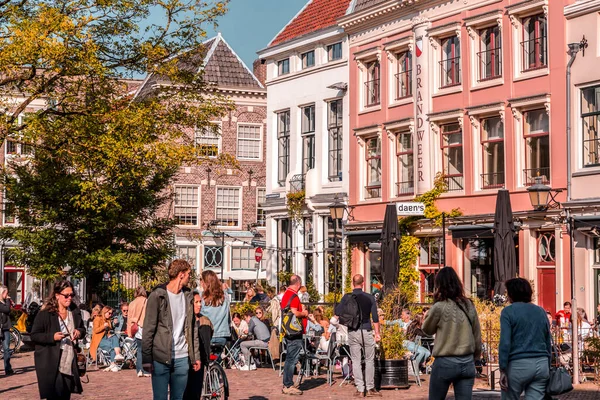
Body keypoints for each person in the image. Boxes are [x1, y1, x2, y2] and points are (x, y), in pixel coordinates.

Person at [142, 259, 201, 400]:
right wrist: (146, 358)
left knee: (178, 397)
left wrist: (195, 356)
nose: (189, 277)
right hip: (161, 357)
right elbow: (148, 329)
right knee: (160, 397)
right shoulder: (157, 295)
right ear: (181, 275)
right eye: (188, 274)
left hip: (182, 357)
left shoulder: (188, 296)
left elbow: (192, 328)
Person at [423, 267, 482, 400]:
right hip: (467, 361)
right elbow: (477, 335)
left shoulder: (439, 307)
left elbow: (427, 330)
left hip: (445, 362)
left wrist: (428, 314)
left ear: (439, 285)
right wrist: (476, 357)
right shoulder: (468, 305)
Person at [31, 280, 86, 400]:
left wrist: (79, 332)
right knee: (55, 394)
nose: (69, 298)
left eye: (72, 295)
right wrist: (52, 337)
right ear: (57, 295)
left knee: (65, 394)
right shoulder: (46, 313)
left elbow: (82, 328)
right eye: (66, 295)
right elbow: (34, 335)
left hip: (69, 358)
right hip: (51, 359)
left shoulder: (74, 311)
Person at [499, 278, 551, 400]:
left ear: (511, 294)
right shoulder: (540, 311)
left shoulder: (508, 312)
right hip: (541, 363)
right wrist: (548, 363)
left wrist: (503, 368)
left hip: (518, 364)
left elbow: (505, 343)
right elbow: (547, 339)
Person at [336, 274, 381, 398]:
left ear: (352, 283)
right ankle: (370, 388)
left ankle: (360, 389)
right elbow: (375, 317)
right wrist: (377, 333)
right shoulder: (370, 298)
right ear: (363, 283)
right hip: (366, 330)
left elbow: (337, 311)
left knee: (355, 360)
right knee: (369, 360)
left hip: (353, 331)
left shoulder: (347, 297)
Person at [281, 275, 308, 396]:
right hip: (294, 331)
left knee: (289, 358)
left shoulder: (285, 294)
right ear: (298, 284)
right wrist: (304, 313)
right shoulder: (294, 296)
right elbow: (294, 312)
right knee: (292, 359)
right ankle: (288, 384)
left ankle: (287, 383)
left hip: (287, 331)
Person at [183, 291, 213, 400]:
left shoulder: (205, 320)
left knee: (195, 390)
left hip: (199, 359)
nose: (200, 305)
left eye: (200, 302)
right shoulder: (184, 319)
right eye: (197, 302)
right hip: (185, 358)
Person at [200, 270, 231, 346]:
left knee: (206, 357)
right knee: (217, 357)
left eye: (202, 281)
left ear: (206, 283)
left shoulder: (202, 298)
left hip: (207, 334)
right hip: (222, 334)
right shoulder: (224, 296)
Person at [90, 306, 124, 371]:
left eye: (111, 313)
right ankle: (114, 362)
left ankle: (115, 358)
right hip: (99, 340)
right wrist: (103, 326)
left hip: (106, 338)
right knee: (112, 345)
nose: (110, 315)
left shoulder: (108, 320)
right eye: (109, 313)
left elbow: (109, 331)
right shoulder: (97, 319)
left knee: (115, 337)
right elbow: (95, 330)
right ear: (105, 312)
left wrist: (112, 326)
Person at [128, 285, 149, 377]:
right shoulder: (147, 302)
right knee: (147, 350)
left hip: (136, 328)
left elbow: (129, 319)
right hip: (146, 327)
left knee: (139, 350)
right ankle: (146, 370)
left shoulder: (132, 303)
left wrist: (129, 331)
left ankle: (139, 370)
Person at [0, 284, 14, 376]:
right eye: (6, 293)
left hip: (5, 328)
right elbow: (6, 310)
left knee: (7, 349)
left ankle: (8, 368)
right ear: (2, 293)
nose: (7, 295)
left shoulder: (5, 302)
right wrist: (8, 300)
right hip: (0, 328)